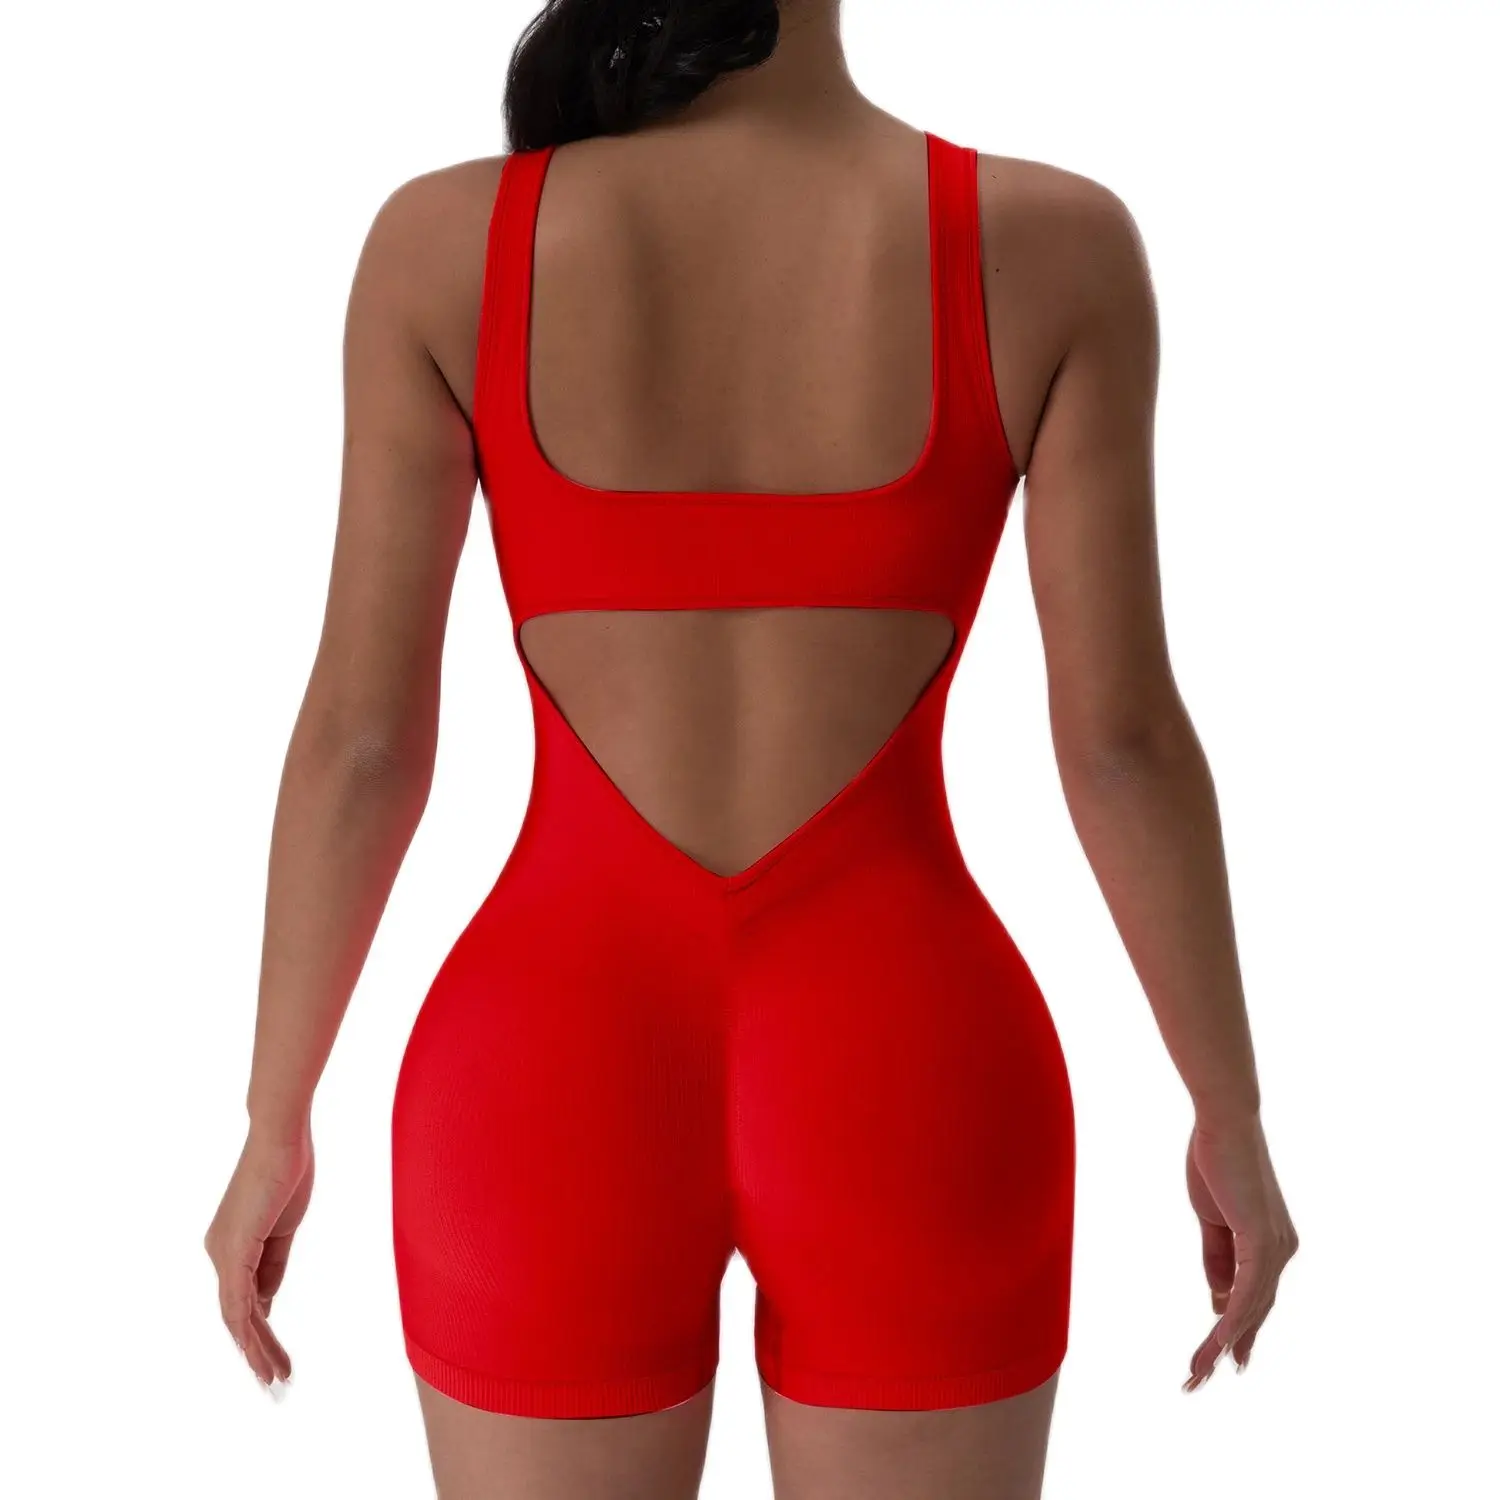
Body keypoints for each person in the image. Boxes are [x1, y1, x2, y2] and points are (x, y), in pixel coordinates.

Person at [204, 2, 1298, 1495]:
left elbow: (361, 739)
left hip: (543, 1068)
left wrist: (274, 1118)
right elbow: (1121, 746)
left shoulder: (444, 245)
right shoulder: (1053, 245)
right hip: (911, 1060)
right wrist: (1229, 1110)